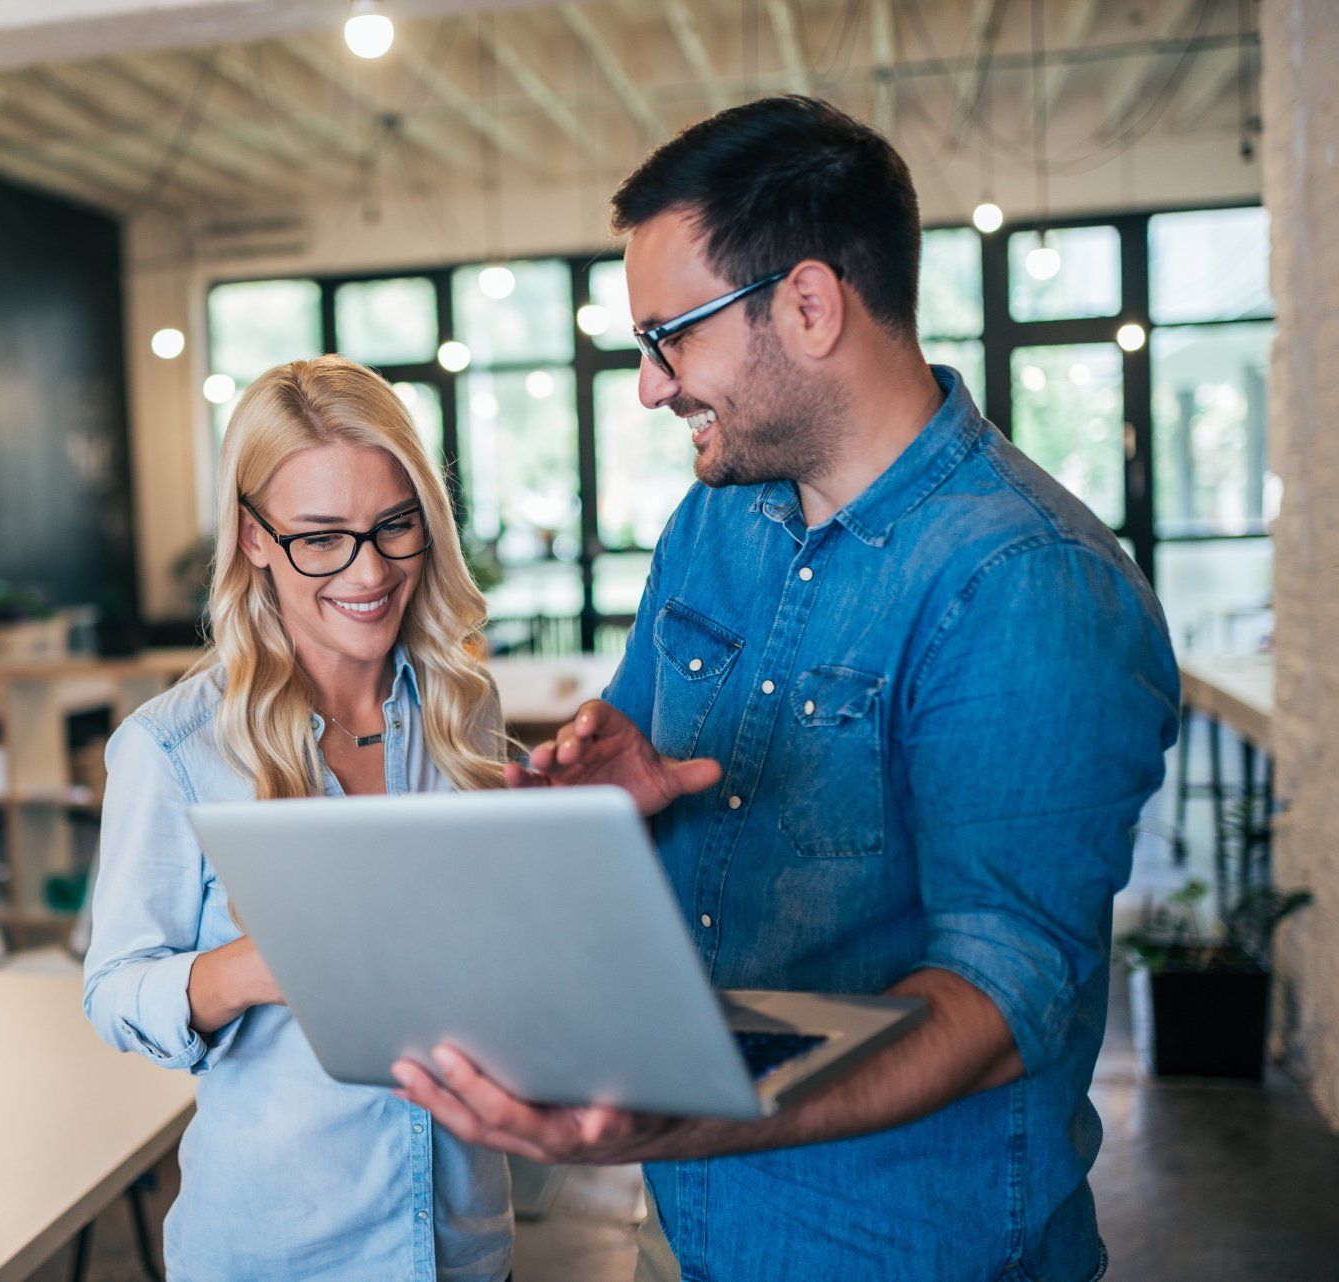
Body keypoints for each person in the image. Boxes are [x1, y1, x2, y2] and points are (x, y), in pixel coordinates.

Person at [393, 96, 1180, 1282]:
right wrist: (613, 803)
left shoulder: (1027, 585)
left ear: (809, 306)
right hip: (697, 1230)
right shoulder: (717, 522)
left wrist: (697, 1111)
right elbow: (657, 780)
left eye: (670, 336)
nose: (651, 386)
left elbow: (1005, 996)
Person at [82, 355, 514, 1282]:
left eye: (394, 527)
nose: (369, 572)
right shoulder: (174, 749)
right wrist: (250, 970)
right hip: (280, 1251)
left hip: (464, 1245)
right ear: (252, 539)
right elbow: (114, 991)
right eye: (321, 538)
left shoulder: (463, 710)